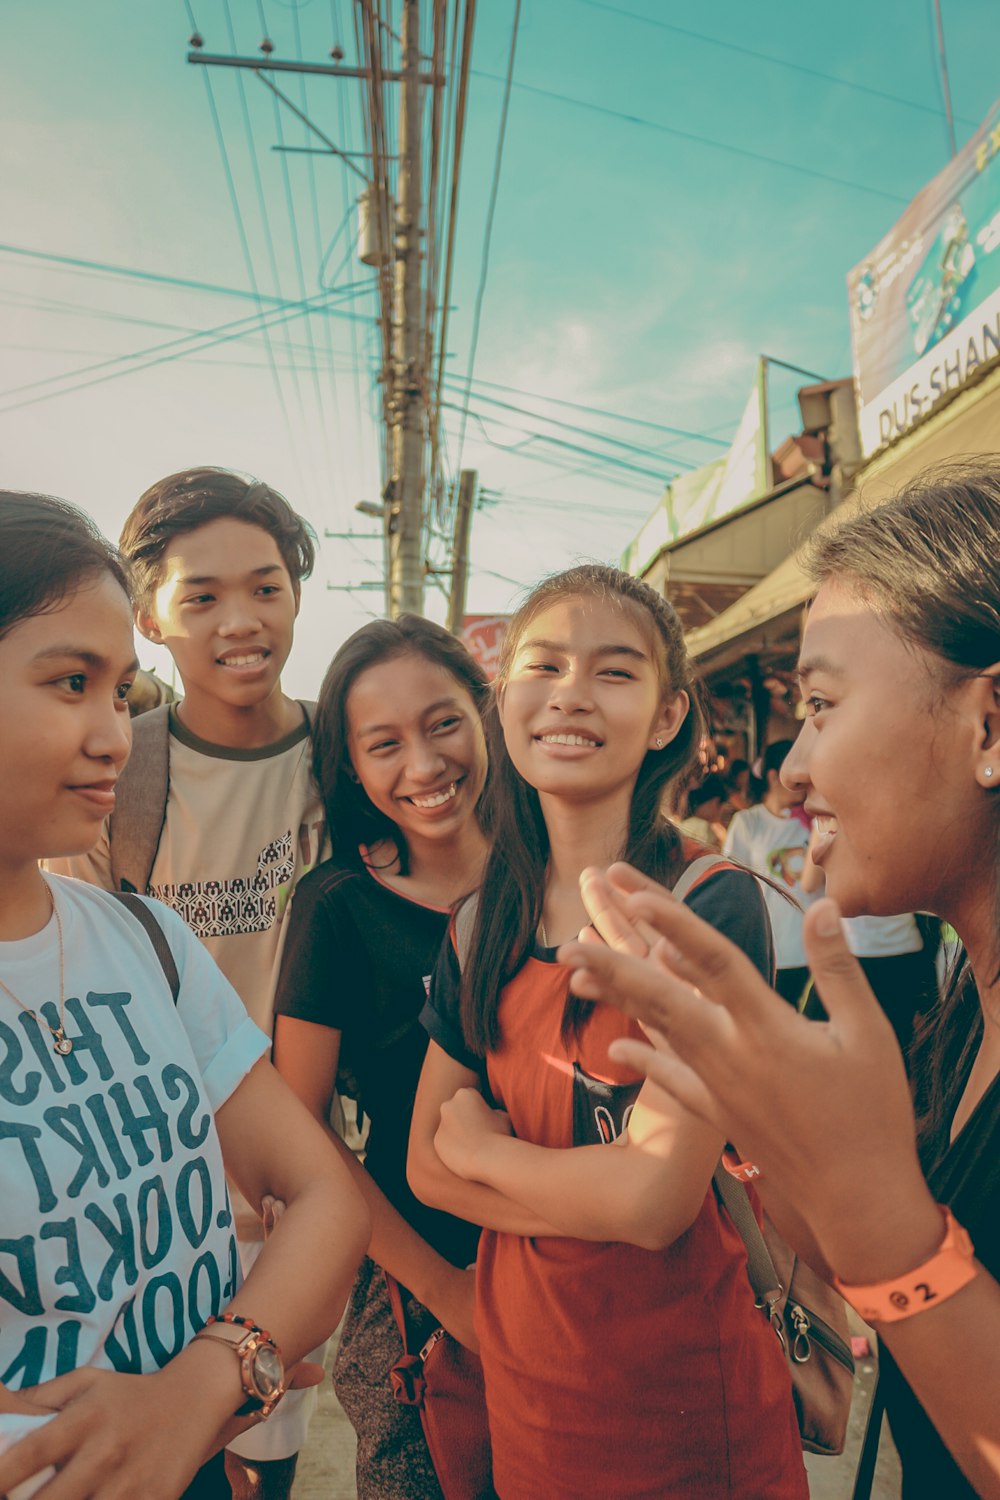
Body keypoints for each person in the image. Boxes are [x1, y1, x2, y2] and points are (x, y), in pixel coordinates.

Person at [556, 463, 1000, 1499]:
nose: (791, 768)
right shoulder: (958, 1011)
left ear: (987, 726)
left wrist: (883, 1218)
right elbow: (895, 1296)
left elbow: (896, 1258)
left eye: (819, 705)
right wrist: (755, 1118)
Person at [407, 564, 807, 1500]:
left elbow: (657, 1204)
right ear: (505, 700)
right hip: (530, 1396)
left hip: (686, 1407)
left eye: (615, 672)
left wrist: (487, 1154)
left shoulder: (707, 905)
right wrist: (598, 1191)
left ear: (667, 718)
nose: (572, 694)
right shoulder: (479, 924)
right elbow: (426, 1169)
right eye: (542, 666)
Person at [0, 491, 370, 1500]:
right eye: (71, 682)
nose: (112, 735)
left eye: (118, 692)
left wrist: (213, 1384)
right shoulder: (143, 807)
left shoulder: (144, 943)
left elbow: (328, 1193)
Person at [271, 617, 491, 1499]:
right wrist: (444, 1289)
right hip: (416, 1297)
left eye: (443, 724)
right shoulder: (336, 907)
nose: (425, 766)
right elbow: (300, 1132)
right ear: (352, 766)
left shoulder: (552, 871)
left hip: (588, 1266)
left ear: (486, 716)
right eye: (385, 744)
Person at [801, 826, 939, 1058]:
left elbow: (808, 883)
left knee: (821, 1037)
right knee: (898, 1047)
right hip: (904, 948)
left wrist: (820, 834)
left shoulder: (828, 824)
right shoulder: (898, 822)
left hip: (860, 953)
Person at [723, 739, 816, 1006]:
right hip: (770, 949)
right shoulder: (748, 822)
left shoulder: (815, 819)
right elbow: (734, 886)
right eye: (800, 773)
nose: (806, 781)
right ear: (775, 776)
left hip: (815, 948)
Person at [676, 771, 726, 849]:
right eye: (722, 806)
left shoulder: (684, 825)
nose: (721, 813)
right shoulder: (703, 828)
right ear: (715, 802)